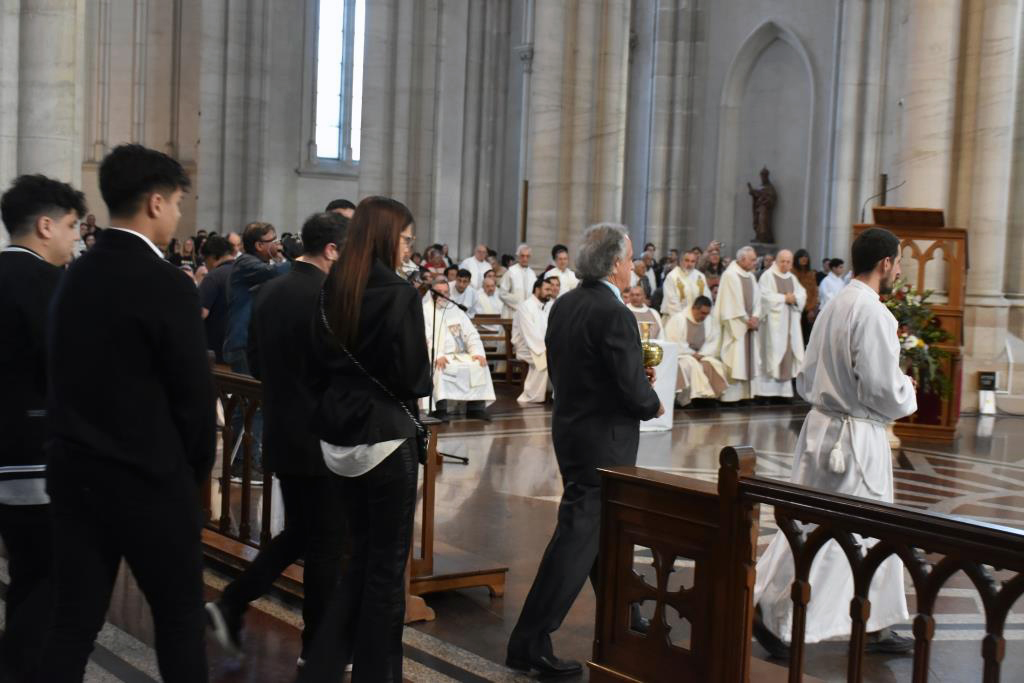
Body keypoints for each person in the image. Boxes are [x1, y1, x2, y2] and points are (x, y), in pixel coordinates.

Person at [41, 144, 215, 682]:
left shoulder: (75, 274)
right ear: (157, 202)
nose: (181, 215)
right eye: (180, 202)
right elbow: (193, 400)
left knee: (72, 620)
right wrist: (197, 481)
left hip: (77, 475)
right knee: (180, 620)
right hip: (151, 482)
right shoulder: (167, 285)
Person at [752, 227, 917, 659]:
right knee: (841, 534)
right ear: (885, 264)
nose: (899, 269)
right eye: (898, 262)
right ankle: (782, 622)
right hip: (856, 439)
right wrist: (908, 389)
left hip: (822, 428)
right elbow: (882, 388)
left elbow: (806, 374)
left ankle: (877, 622)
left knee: (828, 526)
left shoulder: (833, 304)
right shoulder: (874, 313)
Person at [508, 223, 662, 677]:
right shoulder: (614, 313)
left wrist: (629, 381)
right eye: (630, 258)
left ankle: (627, 618)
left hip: (573, 429)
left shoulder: (567, 303)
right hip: (604, 440)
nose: (634, 266)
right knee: (577, 539)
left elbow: (575, 367)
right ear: (616, 265)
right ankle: (529, 640)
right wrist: (650, 400)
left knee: (604, 533)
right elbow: (630, 388)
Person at [206, 213, 348, 667]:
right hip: (322, 436)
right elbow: (337, 371)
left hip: (284, 429)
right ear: (332, 250)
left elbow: (257, 359)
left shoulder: (269, 290)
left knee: (302, 533)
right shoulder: (325, 295)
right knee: (327, 542)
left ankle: (231, 602)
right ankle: (318, 647)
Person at [300, 197, 430, 682]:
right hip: (385, 438)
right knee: (385, 572)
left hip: (339, 440)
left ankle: (323, 665)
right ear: (385, 237)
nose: (408, 249)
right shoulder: (399, 293)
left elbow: (314, 363)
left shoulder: (334, 284)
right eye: (406, 239)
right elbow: (415, 378)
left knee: (359, 561)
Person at [0, 174, 85, 682]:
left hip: (6, 450)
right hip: (35, 455)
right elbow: (69, 371)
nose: (76, 238)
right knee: (45, 580)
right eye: (73, 226)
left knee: (26, 574)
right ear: (46, 225)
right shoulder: (47, 285)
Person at [224, 222, 290, 478]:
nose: (277, 244)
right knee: (251, 403)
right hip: (243, 342)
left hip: (252, 342)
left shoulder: (257, 266)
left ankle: (247, 459)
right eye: (272, 240)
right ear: (259, 245)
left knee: (252, 403)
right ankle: (243, 462)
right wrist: (295, 256)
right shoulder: (246, 264)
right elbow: (277, 274)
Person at [423, 280, 494, 422]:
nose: (443, 295)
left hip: (459, 355)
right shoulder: (425, 310)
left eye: (445, 292)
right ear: (432, 293)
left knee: (479, 364)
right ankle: (439, 409)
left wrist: (477, 353)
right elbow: (427, 337)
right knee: (440, 367)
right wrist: (438, 355)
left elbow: (471, 334)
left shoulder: (455, 309)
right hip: (437, 354)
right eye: (439, 292)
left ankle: (476, 408)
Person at [754, 249, 806, 399]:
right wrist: (784, 299)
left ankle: (783, 393)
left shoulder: (792, 278)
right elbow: (763, 297)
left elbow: (802, 295)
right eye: (782, 261)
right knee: (770, 354)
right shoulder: (767, 276)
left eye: (788, 262)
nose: (785, 264)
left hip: (789, 325)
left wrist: (794, 298)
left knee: (787, 355)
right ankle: (764, 394)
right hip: (772, 326)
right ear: (776, 261)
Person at [718, 246, 761, 404]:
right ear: (742, 259)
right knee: (735, 360)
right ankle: (731, 397)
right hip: (736, 326)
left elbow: (758, 299)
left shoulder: (751, 276)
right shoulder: (730, 275)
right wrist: (746, 319)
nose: (755, 263)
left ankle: (745, 395)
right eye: (752, 260)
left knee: (746, 360)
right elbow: (731, 303)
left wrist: (755, 316)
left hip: (748, 325)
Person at [665, 296, 727, 406]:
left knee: (713, 364)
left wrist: (702, 354)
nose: (704, 316)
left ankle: (706, 399)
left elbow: (713, 342)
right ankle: (686, 400)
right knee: (690, 365)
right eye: (702, 313)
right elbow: (674, 341)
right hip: (682, 355)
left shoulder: (709, 321)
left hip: (700, 354)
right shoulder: (679, 319)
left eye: (707, 313)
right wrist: (692, 353)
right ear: (694, 308)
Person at [512, 277, 552, 405]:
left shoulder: (542, 307)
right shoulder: (526, 306)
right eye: (546, 289)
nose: (549, 292)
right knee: (544, 361)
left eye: (550, 290)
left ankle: (553, 394)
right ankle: (532, 396)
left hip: (540, 345)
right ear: (537, 289)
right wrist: (545, 349)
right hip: (526, 347)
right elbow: (529, 333)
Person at [198, 235, 234, 363]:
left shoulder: (213, 277)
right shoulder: (245, 272)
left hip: (217, 351)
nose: (205, 265)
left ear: (212, 257)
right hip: (242, 349)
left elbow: (200, 313)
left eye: (205, 260)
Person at [661, 249, 709, 321]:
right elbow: (672, 301)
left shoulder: (700, 276)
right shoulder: (672, 277)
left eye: (693, 261)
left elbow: (707, 297)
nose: (689, 264)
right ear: (680, 261)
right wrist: (683, 319)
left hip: (697, 319)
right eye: (687, 260)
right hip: (675, 319)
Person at [499, 243, 537, 317]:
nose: (525, 259)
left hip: (528, 312)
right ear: (518, 257)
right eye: (522, 256)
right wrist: (519, 303)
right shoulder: (511, 272)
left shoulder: (532, 274)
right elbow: (502, 293)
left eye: (527, 256)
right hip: (512, 312)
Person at [793, 248, 819, 344]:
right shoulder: (792, 272)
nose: (804, 260)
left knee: (805, 335)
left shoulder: (811, 274)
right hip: (794, 307)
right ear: (797, 259)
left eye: (806, 258)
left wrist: (811, 309)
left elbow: (814, 293)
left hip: (807, 309)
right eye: (802, 258)